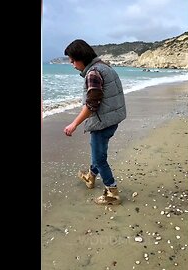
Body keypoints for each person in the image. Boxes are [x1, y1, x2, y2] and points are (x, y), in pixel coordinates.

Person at [63, 39, 127, 205]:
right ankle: (90, 177)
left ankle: (112, 193)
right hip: (112, 119)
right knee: (97, 151)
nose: (72, 64)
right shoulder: (105, 66)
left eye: (72, 60)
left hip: (103, 122)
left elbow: (92, 104)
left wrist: (74, 124)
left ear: (81, 58)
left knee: (99, 158)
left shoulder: (93, 73)